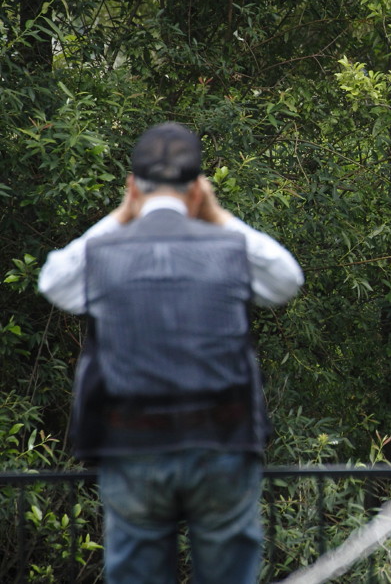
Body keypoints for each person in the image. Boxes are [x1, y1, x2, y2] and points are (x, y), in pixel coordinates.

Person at [38, 121, 304, 584]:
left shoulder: (104, 253)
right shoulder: (227, 245)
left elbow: (53, 281)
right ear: (199, 188)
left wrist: (122, 215)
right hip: (222, 441)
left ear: (132, 187)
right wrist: (218, 216)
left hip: (131, 443)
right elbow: (286, 278)